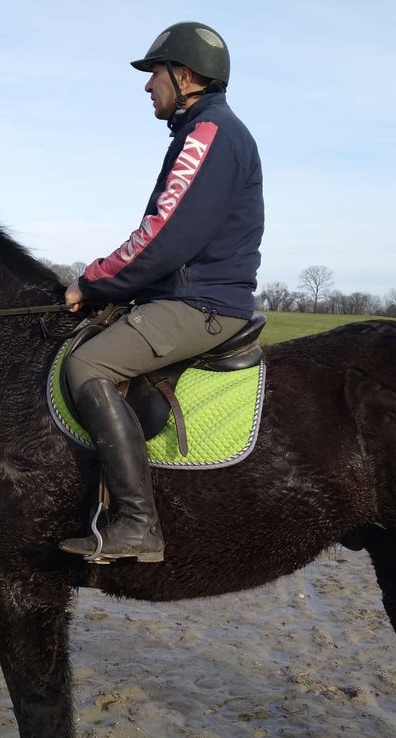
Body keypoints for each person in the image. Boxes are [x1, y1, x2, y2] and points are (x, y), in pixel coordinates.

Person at [59, 21, 265, 563]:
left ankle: (137, 523)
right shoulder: (203, 132)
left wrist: (93, 281)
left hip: (200, 304)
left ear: (187, 76)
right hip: (189, 294)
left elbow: (162, 237)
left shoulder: (209, 135)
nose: (148, 86)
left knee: (87, 367)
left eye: (155, 74)